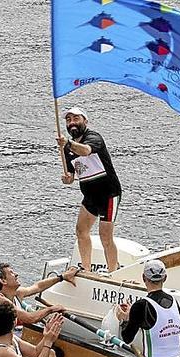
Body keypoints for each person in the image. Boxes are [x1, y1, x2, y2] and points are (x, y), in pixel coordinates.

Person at [0, 262, 81, 357]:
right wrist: (50, 309)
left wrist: (61, 277)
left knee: (51, 353)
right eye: (11, 273)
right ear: (3, 281)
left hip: (15, 345)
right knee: (48, 355)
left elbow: (38, 287)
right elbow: (30, 318)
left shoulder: (17, 294)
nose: (16, 274)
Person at [56, 108, 122, 273]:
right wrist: (67, 179)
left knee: (105, 236)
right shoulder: (66, 149)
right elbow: (71, 175)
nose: (72, 123)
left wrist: (68, 144)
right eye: (69, 120)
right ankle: (86, 269)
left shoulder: (94, 138)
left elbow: (85, 151)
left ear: (85, 121)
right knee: (81, 230)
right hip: (90, 195)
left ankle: (113, 271)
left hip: (108, 194)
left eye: (76, 119)